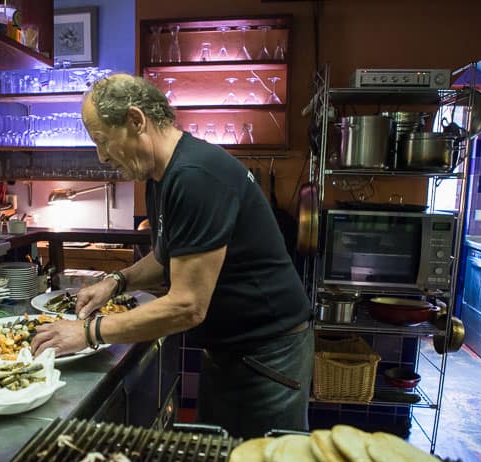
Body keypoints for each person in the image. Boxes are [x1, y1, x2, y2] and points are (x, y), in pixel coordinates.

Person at [31, 74, 313, 438]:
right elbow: (168, 257)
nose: (101, 156)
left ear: (136, 120)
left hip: (268, 356)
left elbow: (187, 306)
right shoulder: (162, 176)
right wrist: (116, 282)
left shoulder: (195, 176)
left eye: (102, 140)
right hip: (232, 352)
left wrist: (88, 332)